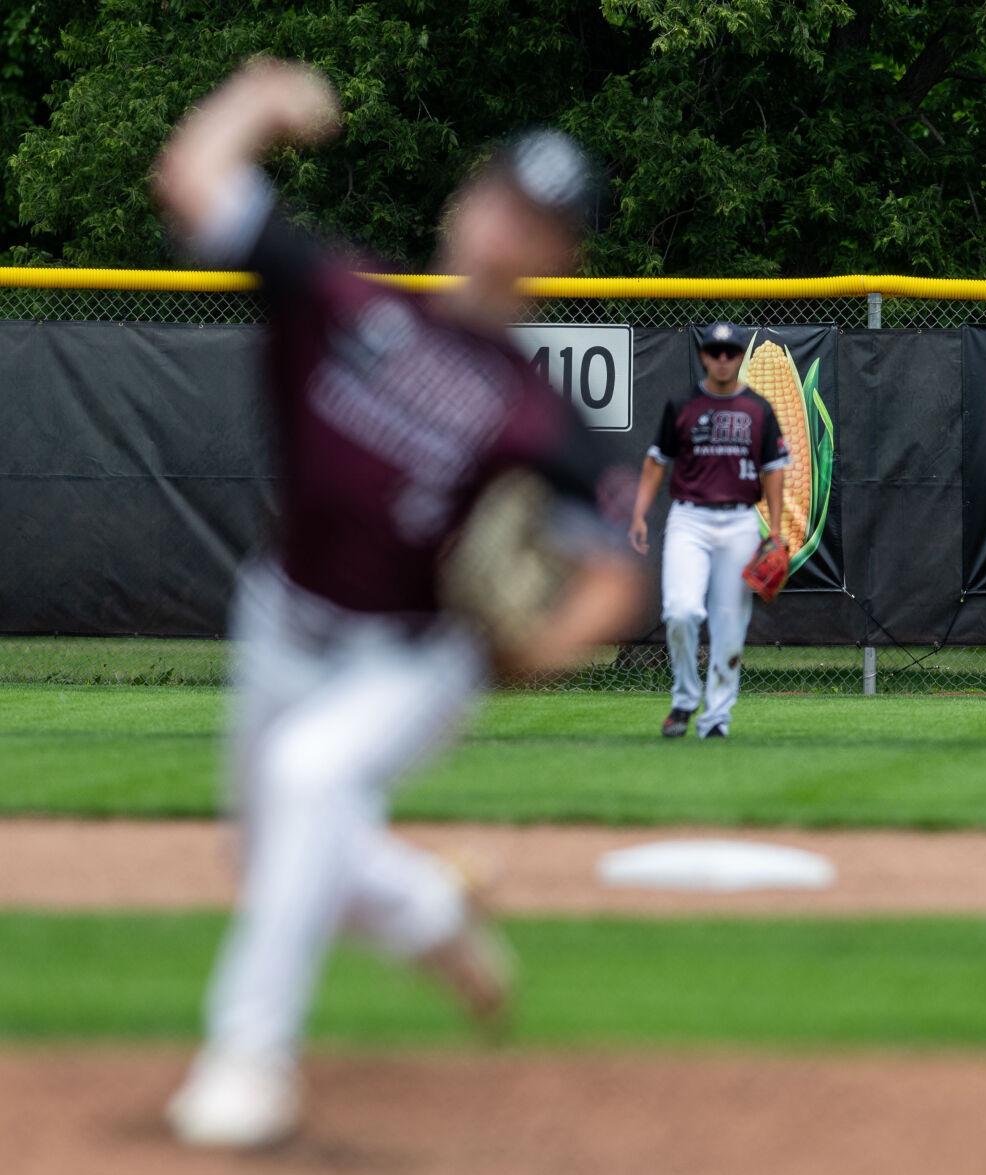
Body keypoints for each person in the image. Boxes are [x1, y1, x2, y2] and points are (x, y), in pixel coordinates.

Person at [151, 58, 643, 1149]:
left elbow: (619, 563)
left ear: (560, 256)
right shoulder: (339, 298)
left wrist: (547, 643)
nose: (510, 227)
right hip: (281, 614)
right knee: (276, 843)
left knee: (305, 777)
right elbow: (192, 177)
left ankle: (249, 1058)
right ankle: (431, 907)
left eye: (541, 221)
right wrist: (258, 100)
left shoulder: (531, 414)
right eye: (504, 197)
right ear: (465, 198)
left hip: (414, 656)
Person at [627, 324, 789, 738]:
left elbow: (774, 471)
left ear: (739, 358)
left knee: (729, 622)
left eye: (730, 352)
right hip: (690, 519)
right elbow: (655, 462)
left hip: (738, 521)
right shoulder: (682, 405)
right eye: (715, 351)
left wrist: (773, 529)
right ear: (704, 356)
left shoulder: (759, 409)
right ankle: (684, 698)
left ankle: (716, 717)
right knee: (680, 611)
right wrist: (639, 514)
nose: (722, 359)